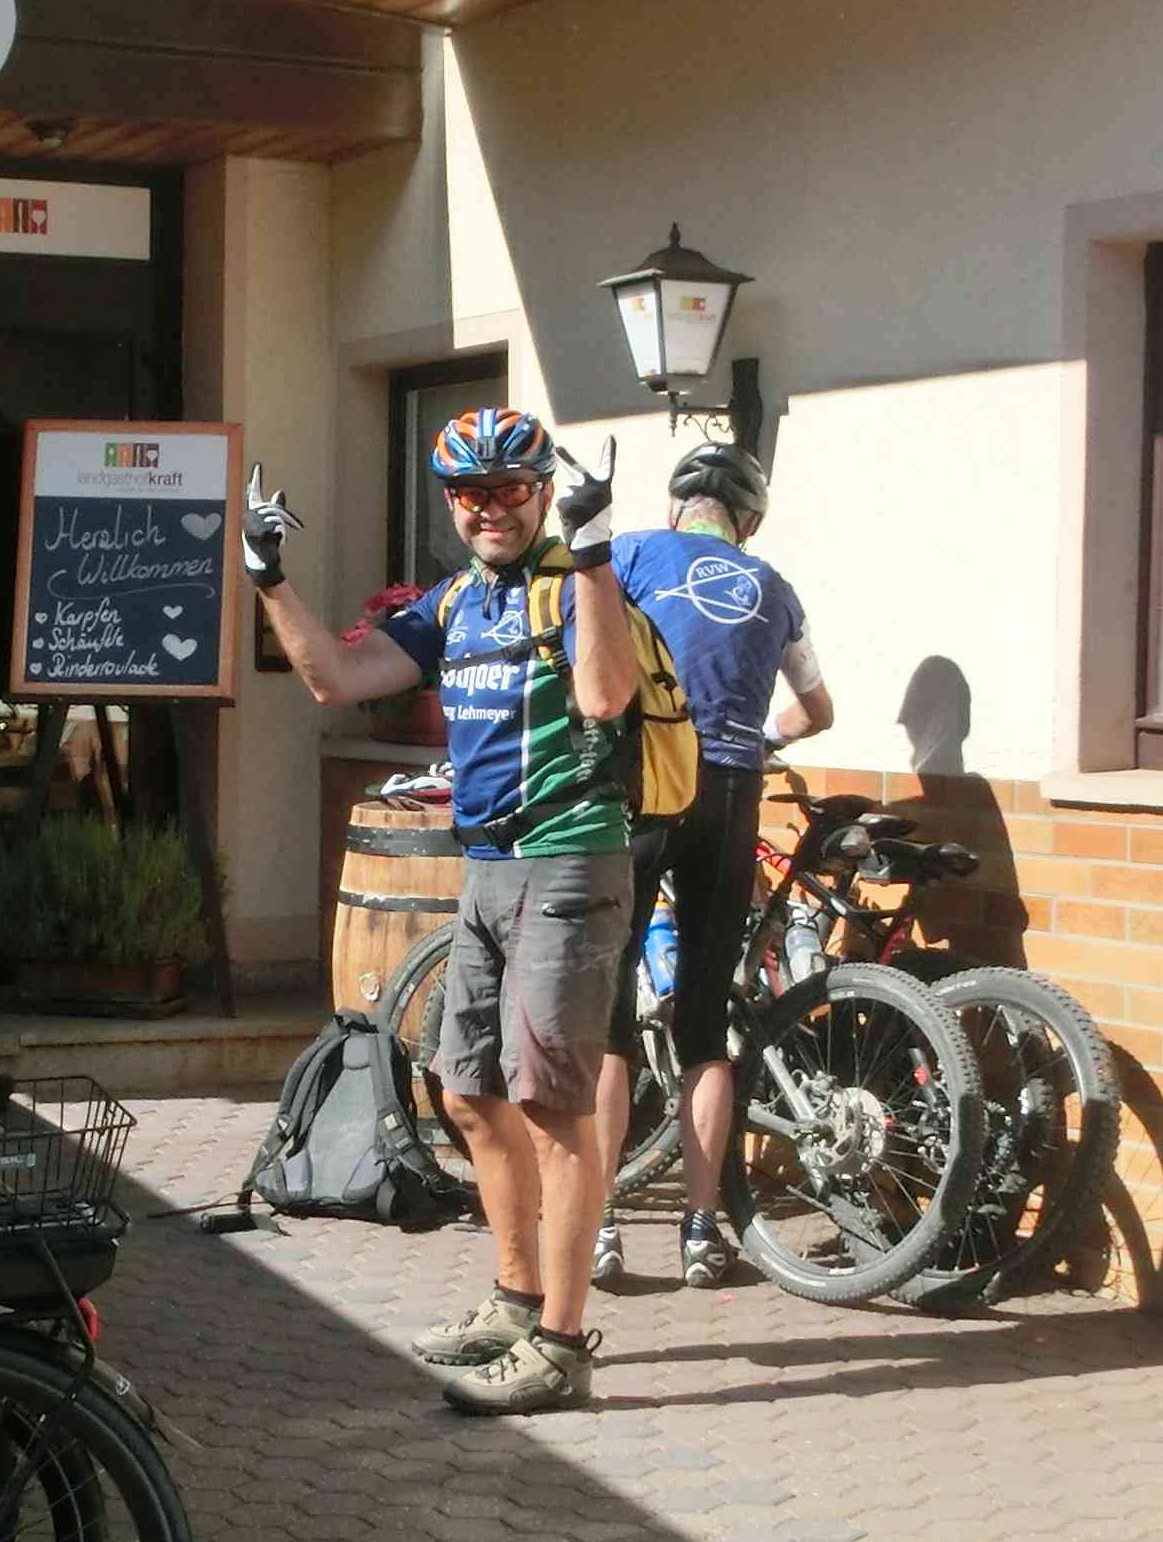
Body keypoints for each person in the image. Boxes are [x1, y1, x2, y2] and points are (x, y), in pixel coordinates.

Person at [246, 409, 643, 1416]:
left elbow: (606, 697)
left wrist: (594, 553)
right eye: (470, 493)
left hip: (567, 862)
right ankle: (516, 1301)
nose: (489, 509)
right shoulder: (457, 601)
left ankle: (562, 1347)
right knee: (467, 1091)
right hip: (488, 868)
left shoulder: (574, 585)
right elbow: (338, 680)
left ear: (542, 494)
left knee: (554, 1108)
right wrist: (267, 576)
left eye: (509, 489)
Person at [593, 440, 837, 1290]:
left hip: (648, 785)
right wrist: (760, 737)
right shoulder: (776, 588)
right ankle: (702, 1231)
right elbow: (818, 711)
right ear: (749, 524)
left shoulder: (631, 555)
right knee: (703, 1023)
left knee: (606, 1018)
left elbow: (583, 653)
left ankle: (598, 1221)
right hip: (732, 792)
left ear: (677, 508)